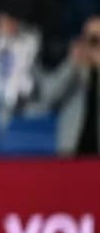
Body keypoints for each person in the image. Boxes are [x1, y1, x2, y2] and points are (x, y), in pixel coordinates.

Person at [34, 16, 100, 157]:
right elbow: (48, 98)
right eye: (92, 40)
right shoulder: (73, 70)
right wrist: (71, 64)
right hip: (71, 153)